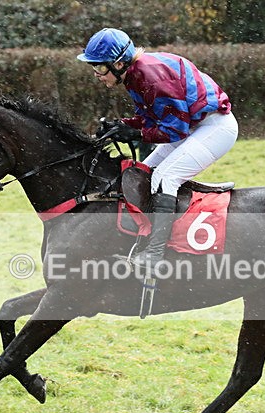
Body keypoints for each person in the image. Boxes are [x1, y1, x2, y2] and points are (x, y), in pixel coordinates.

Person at [77, 28, 238, 267]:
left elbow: (175, 130)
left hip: (215, 128)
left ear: (119, 63)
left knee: (166, 178)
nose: (97, 74)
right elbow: (154, 119)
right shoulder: (135, 74)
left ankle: (155, 253)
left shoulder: (149, 74)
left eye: (100, 67)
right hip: (194, 126)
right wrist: (120, 126)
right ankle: (143, 239)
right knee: (142, 172)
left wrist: (134, 133)